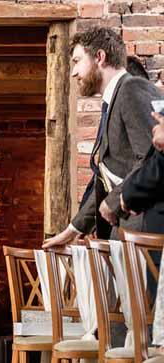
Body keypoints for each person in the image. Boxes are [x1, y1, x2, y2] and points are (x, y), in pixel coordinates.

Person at [43, 27, 159, 248]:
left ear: (100, 57)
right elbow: (105, 178)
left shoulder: (132, 88)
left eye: (77, 61)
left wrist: (114, 201)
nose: (73, 72)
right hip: (127, 230)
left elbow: (152, 158)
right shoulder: (115, 99)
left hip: (144, 231)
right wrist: (71, 231)